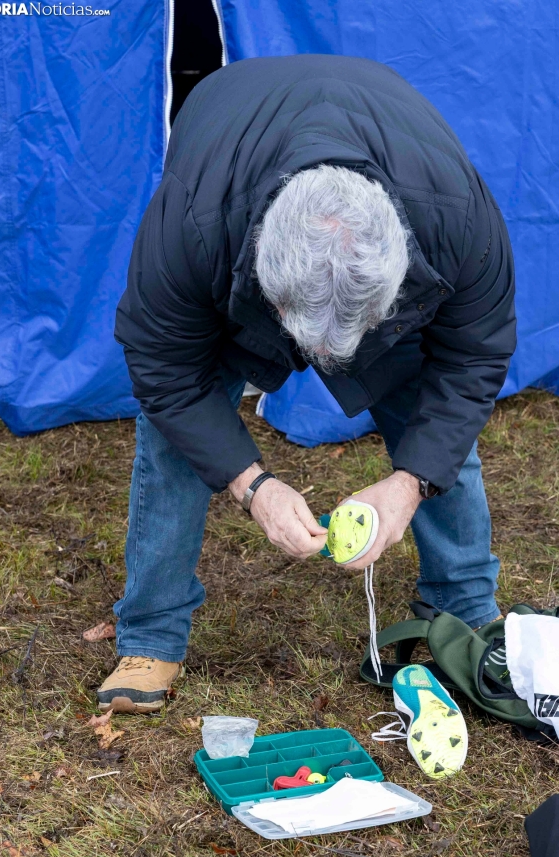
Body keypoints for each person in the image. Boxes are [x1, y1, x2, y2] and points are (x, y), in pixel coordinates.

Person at [98, 53, 515, 713]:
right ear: (270, 290)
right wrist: (252, 486)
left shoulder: (456, 217)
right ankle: (151, 630)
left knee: (428, 403)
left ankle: (462, 604)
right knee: (177, 431)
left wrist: (408, 484)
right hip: (233, 153)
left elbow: (472, 361)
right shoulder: (195, 224)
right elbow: (166, 374)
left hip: (389, 174)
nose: (325, 361)